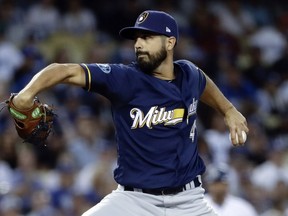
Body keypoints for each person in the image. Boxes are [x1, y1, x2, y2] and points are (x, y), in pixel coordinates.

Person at [12, 10, 248, 216]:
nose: (138, 44)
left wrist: (229, 110)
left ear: (170, 42)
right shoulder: (124, 78)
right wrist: (27, 93)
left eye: (147, 37)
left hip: (189, 202)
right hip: (134, 202)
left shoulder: (188, 74)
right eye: (136, 39)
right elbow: (64, 70)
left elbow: (203, 83)